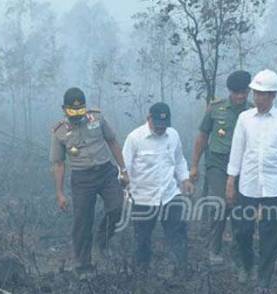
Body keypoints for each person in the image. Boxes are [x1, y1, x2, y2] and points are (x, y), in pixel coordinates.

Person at [226, 69, 277, 293]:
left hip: (274, 187)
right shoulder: (244, 119)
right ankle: (246, 265)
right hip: (248, 185)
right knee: (243, 230)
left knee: (270, 235)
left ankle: (264, 280)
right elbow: (237, 152)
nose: (258, 98)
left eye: (263, 94)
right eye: (255, 93)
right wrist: (231, 182)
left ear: (273, 96)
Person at [49, 87, 129, 278]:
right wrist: (60, 193)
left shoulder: (98, 119)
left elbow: (113, 142)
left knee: (117, 208)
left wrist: (123, 170)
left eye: (80, 111)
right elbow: (59, 164)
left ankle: (102, 241)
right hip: (82, 178)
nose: (77, 116)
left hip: (106, 172)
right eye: (72, 112)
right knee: (83, 221)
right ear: (64, 109)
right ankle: (83, 264)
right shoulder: (59, 132)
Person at [122, 102, 194, 285]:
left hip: (170, 195)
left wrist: (185, 179)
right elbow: (123, 168)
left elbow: (179, 160)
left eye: (164, 126)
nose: (161, 129)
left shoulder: (173, 135)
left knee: (177, 234)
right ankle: (141, 275)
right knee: (142, 240)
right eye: (157, 125)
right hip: (143, 198)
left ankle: (180, 272)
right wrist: (124, 181)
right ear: (149, 119)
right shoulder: (135, 138)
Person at [189, 70, 252, 265]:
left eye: (244, 92)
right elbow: (202, 136)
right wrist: (194, 166)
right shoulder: (216, 109)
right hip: (217, 163)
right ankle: (214, 249)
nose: (240, 96)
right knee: (221, 203)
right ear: (229, 91)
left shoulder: (252, 111)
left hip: (243, 165)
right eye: (236, 92)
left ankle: (238, 252)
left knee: (240, 209)